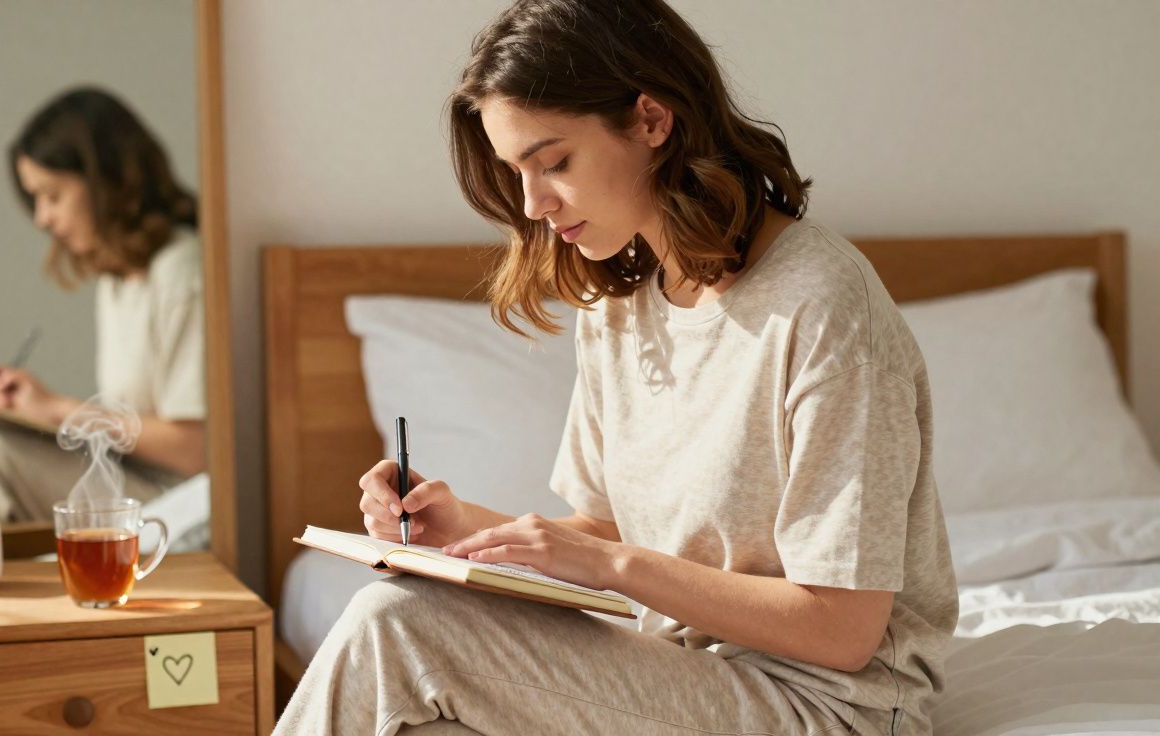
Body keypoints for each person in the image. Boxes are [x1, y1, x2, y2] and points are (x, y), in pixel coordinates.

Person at [277, 1, 957, 734]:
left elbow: (843, 629)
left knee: (395, 623)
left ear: (651, 120)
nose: (533, 204)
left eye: (554, 163)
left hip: (830, 704)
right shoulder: (622, 305)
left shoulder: (823, 308)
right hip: (685, 675)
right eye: (517, 172)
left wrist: (615, 566)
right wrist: (460, 530)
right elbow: (603, 529)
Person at [0, 87, 207, 523]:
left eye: (52, 196)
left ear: (106, 183)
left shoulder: (182, 271)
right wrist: (32, 410)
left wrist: (60, 410)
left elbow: (195, 448)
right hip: (130, 478)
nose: (42, 218)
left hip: (180, 499)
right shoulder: (119, 279)